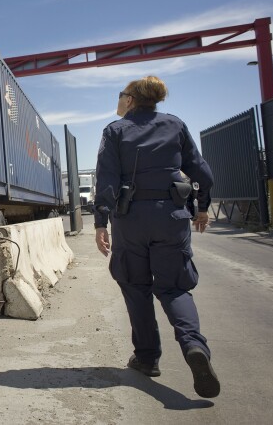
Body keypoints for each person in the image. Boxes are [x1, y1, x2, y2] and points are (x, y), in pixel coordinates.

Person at [93, 75, 220, 399]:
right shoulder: (175, 125)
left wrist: (100, 223)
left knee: (136, 288)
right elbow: (203, 174)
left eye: (121, 95)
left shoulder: (115, 130)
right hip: (171, 217)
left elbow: (106, 181)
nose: (118, 100)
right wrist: (202, 208)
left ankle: (147, 358)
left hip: (131, 220)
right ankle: (194, 346)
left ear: (131, 99)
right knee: (174, 288)